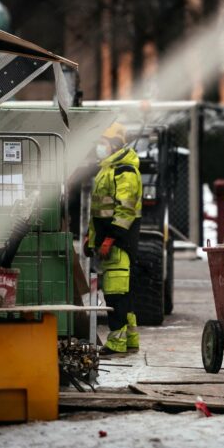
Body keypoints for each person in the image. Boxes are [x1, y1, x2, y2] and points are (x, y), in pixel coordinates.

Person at [83, 123, 142, 354]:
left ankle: (116, 343)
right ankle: (130, 339)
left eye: (103, 143)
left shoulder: (124, 171)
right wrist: (92, 237)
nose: (100, 148)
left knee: (116, 296)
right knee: (122, 294)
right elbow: (100, 211)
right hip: (111, 243)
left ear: (115, 144)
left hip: (120, 244)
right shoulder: (108, 169)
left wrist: (110, 238)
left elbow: (124, 210)